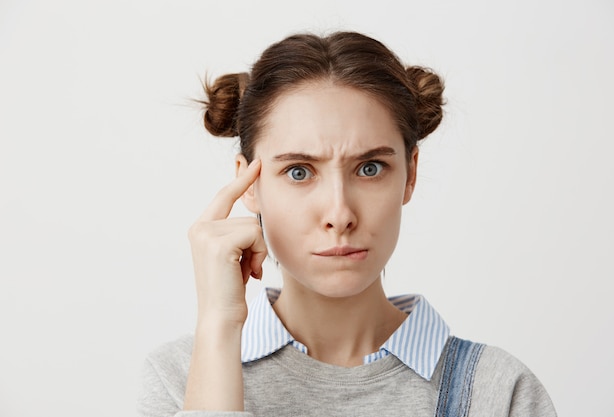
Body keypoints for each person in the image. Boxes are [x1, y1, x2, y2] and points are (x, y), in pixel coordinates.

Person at [138, 31, 557, 417]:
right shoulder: (180, 378)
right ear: (248, 184)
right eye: (299, 172)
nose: (340, 214)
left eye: (370, 168)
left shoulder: (500, 392)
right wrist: (218, 323)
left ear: (410, 175)